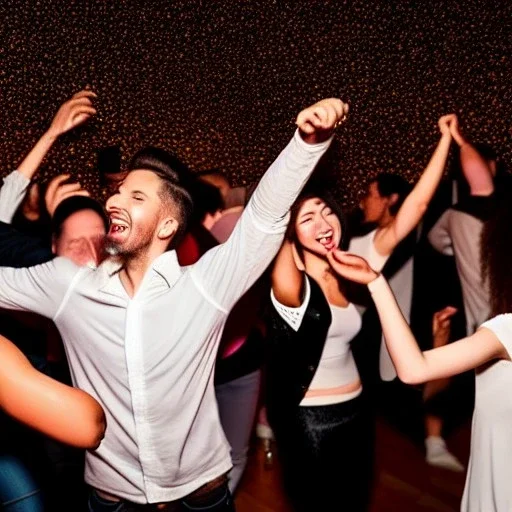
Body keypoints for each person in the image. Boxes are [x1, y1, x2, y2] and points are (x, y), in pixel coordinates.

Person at [0, 97, 348, 510]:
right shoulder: (67, 285)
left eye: (136, 197)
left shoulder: (204, 286)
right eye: (117, 192)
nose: (113, 201)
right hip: (113, 501)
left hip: (201, 497)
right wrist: (49, 137)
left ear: (167, 225)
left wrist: (306, 144)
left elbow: (263, 217)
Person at [325, 195, 512, 511]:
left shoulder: (505, 329)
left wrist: (374, 281)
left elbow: (413, 369)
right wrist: (441, 346)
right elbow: (434, 390)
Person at [264, 182, 375, 511]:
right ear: (291, 233)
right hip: (314, 420)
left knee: (354, 500)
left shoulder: (347, 271)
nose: (324, 222)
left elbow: (411, 215)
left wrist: (446, 142)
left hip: (356, 409)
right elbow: (281, 242)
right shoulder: (293, 287)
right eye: (308, 218)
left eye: (328, 212)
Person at [348, 114, 456, 382]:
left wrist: (445, 140)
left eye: (368, 195)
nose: (361, 203)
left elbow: (418, 205)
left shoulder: (375, 244)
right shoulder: (353, 239)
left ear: (390, 199)